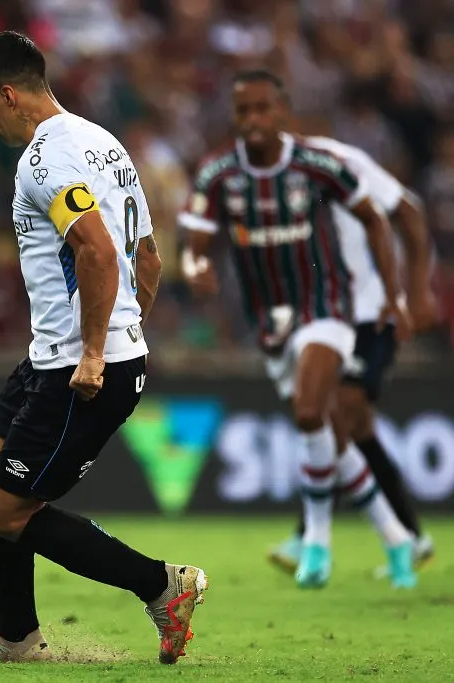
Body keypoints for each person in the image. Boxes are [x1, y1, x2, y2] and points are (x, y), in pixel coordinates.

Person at [0, 31, 208, 666]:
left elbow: (98, 249)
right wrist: (132, 325)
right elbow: (147, 253)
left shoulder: (45, 160)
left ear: (9, 94)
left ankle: (162, 586)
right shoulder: (105, 144)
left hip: (80, 363)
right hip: (51, 353)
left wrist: (97, 350)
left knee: (5, 511)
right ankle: (15, 636)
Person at [178, 70, 416, 590]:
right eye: (245, 111)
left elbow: (376, 220)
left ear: (283, 112)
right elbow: (193, 245)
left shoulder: (319, 165)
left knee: (310, 412)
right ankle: (396, 537)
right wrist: (197, 269)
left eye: (264, 109)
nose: (255, 120)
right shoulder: (217, 174)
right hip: (271, 318)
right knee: (328, 429)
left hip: (327, 303)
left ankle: (317, 545)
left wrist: (395, 293)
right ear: (235, 117)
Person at [266, 131, 436, 579]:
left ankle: (315, 534)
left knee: (344, 410)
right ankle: (406, 535)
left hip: (369, 310)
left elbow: (409, 213)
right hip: (319, 311)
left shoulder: (339, 159)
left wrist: (415, 293)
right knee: (346, 421)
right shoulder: (261, 181)